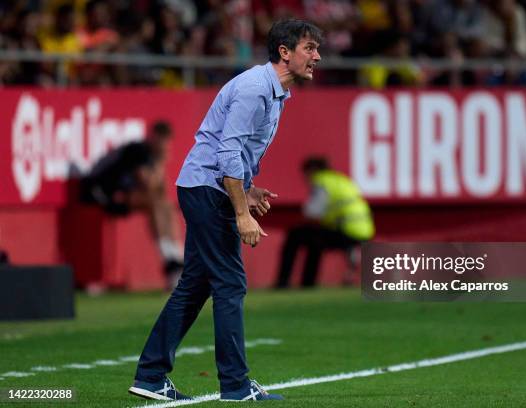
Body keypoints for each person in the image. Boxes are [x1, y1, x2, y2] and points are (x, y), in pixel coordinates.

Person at [128, 19, 322, 401]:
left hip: (205, 186)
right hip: (206, 190)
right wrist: (242, 213)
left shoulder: (276, 92)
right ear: (284, 52)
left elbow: (234, 153)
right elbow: (227, 152)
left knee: (195, 286)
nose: (317, 56)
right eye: (309, 47)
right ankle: (234, 385)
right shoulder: (254, 89)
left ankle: (151, 374)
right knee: (230, 284)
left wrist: (247, 190)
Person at [80, 120, 184, 289]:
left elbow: (161, 191)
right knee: (155, 203)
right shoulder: (138, 151)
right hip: (98, 193)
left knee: (165, 205)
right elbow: (148, 184)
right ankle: (171, 262)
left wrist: (159, 166)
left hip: (121, 194)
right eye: (161, 141)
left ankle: (177, 259)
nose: (164, 146)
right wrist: (160, 163)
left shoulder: (151, 156)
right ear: (153, 138)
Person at [276, 156, 375, 288]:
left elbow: (312, 212)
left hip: (346, 230)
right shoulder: (341, 179)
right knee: (314, 239)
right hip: (365, 231)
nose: (305, 179)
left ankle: (285, 282)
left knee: (296, 235)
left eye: (306, 174)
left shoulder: (321, 181)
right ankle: (307, 283)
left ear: (312, 170)